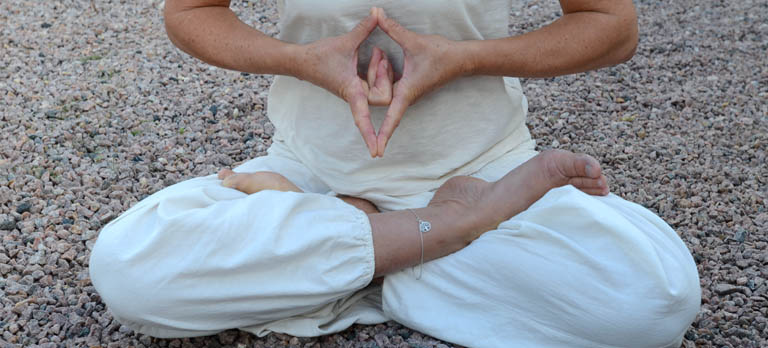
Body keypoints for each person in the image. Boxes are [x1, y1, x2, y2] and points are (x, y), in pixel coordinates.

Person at [89, 1, 701, 347]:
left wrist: (467, 59)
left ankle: (347, 243)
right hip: (310, 171)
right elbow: (190, 11)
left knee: (653, 306)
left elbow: (612, 26)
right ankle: (430, 234)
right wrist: (297, 61)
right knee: (128, 271)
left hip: (484, 169)